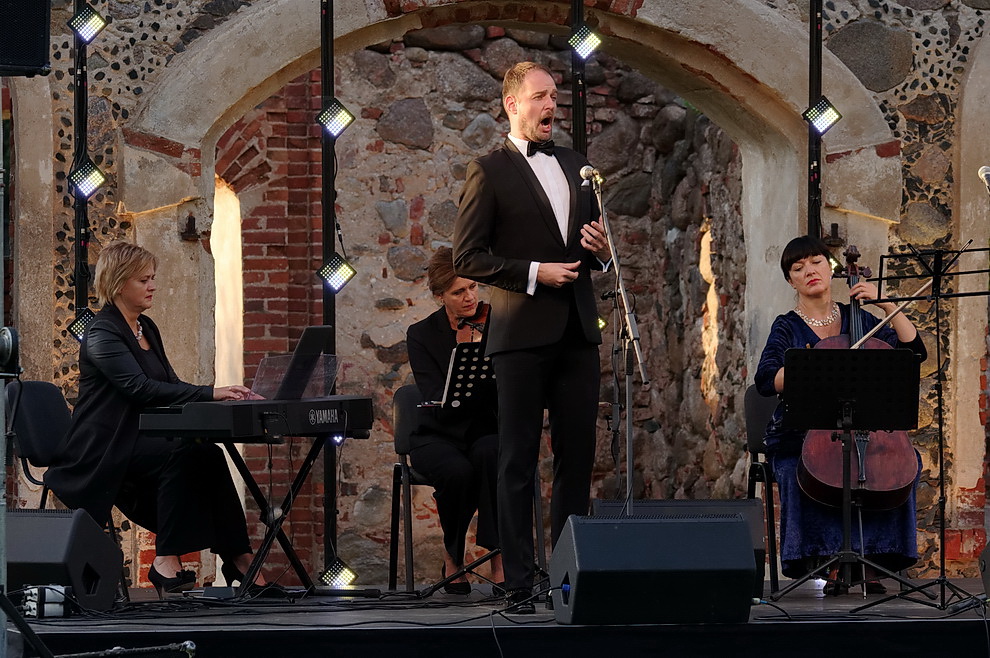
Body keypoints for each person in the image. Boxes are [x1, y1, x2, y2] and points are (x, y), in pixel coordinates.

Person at [453, 61, 611, 613]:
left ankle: (569, 577)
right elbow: (467, 257)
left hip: (577, 330)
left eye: (554, 96)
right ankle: (518, 581)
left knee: (577, 458)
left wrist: (602, 252)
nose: (551, 105)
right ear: (512, 104)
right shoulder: (488, 170)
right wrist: (534, 273)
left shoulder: (577, 165)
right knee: (517, 458)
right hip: (520, 333)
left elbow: (598, 251)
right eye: (540, 96)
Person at [45, 241, 267, 598]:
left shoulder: (146, 326)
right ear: (119, 284)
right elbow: (139, 388)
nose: (153, 286)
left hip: (141, 438)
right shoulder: (101, 332)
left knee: (207, 452)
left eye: (153, 278)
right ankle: (166, 558)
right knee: (182, 453)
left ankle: (238, 556)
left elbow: (170, 384)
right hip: (103, 448)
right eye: (144, 280)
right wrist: (211, 393)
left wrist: (221, 397)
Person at [754, 235, 927, 594]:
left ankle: (876, 560)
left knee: (897, 464)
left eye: (816, 262)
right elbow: (767, 378)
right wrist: (812, 366)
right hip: (802, 433)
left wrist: (886, 304)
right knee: (803, 467)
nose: (809, 271)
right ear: (791, 281)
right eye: (798, 268)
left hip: (863, 428)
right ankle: (827, 560)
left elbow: (914, 351)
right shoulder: (787, 326)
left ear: (830, 269)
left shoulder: (858, 318)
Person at [406, 247, 503, 594]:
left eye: (473, 287)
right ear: (439, 296)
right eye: (458, 292)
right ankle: (453, 554)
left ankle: (498, 557)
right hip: (437, 433)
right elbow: (434, 393)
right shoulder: (421, 334)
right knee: (457, 472)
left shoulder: (496, 324)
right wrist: (463, 357)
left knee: (492, 455)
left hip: (482, 428)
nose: (470, 297)